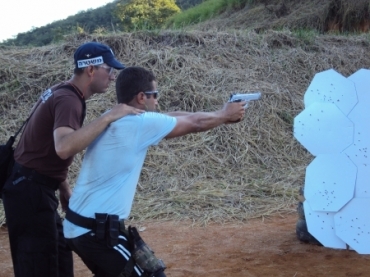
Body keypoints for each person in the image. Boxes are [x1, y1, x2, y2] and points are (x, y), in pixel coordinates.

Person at [63, 66, 246, 277]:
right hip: (95, 233)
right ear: (142, 97)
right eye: (155, 95)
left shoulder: (117, 117)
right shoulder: (140, 123)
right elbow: (194, 123)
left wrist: (220, 114)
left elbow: (172, 116)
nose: (157, 101)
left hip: (81, 226)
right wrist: (224, 115)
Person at [2, 42, 143, 277]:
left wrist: (63, 186)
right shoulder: (69, 100)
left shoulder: (61, 90)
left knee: (58, 255)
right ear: (91, 70)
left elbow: (40, 150)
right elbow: (64, 147)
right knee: (40, 266)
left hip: (30, 187)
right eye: (109, 70)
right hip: (30, 192)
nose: (111, 77)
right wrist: (108, 117)